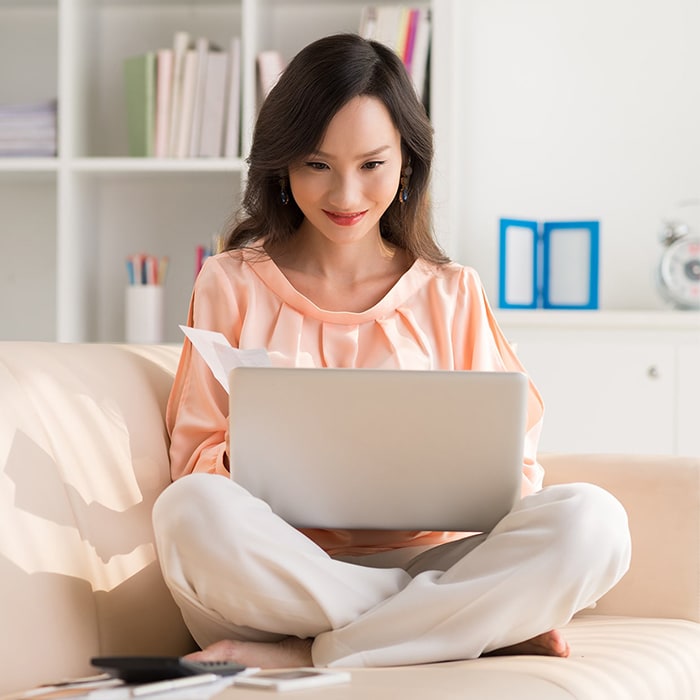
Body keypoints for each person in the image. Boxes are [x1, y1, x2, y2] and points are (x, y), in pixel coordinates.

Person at [152, 33, 631, 669]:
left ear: (407, 161)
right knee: (189, 512)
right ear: (282, 164)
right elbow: (194, 459)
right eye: (317, 165)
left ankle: (310, 651)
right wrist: (260, 451)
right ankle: (454, 625)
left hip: (434, 557)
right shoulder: (230, 282)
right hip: (282, 568)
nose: (346, 196)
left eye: (371, 165)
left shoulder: (453, 291)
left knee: (593, 522)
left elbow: (514, 472)